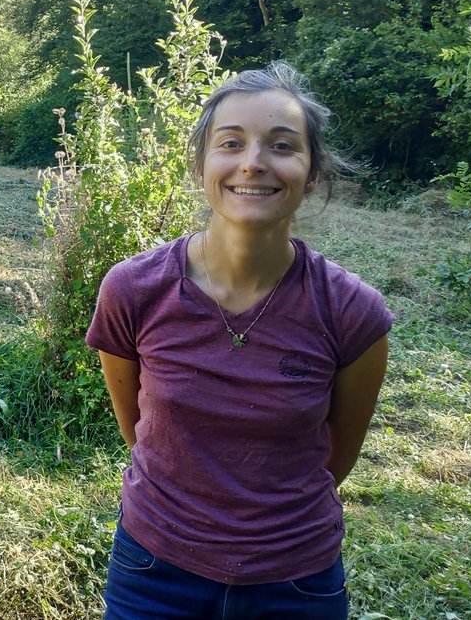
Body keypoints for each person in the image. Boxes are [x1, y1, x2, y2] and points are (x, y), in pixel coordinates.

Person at [87, 62, 392, 619]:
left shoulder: (353, 312)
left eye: (282, 145)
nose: (253, 162)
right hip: (154, 570)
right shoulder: (132, 290)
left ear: (313, 171)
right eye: (231, 143)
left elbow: (335, 458)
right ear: (202, 163)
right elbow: (138, 429)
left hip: (296, 583)